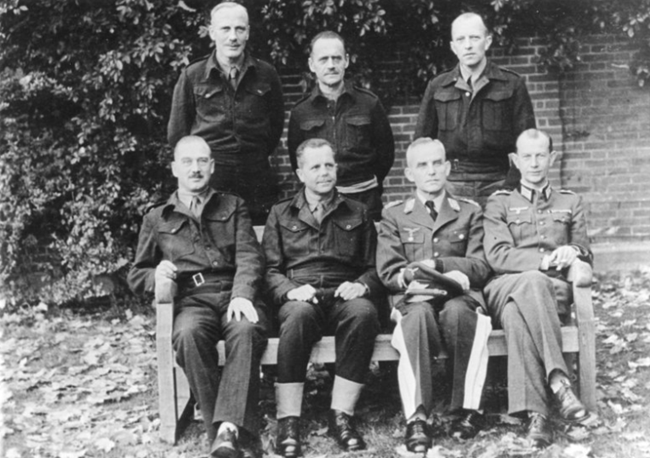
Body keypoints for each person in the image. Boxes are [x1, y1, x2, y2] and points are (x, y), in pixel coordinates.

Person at [128, 135, 268, 458]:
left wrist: (242, 294)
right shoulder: (157, 218)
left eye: (202, 161)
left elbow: (250, 255)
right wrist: (156, 276)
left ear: (212, 166)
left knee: (246, 329)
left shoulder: (233, 206)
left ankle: (225, 432)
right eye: (187, 162)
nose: (195, 168)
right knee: (187, 334)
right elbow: (137, 274)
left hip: (234, 292)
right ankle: (224, 430)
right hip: (192, 298)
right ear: (174, 168)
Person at [262, 138, 382, 457]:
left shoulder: (357, 211)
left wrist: (362, 285)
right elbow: (269, 270)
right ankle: (289, 421)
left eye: (329, 165)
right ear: (300, 173)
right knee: (297, 316)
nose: (324, 172)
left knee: (363, 313)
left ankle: (342, 415)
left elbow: (375, 267)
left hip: (343, 294)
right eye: (315, 167)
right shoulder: (281, 213)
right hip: (301, 295)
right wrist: (290, 289)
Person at [376, 137, 493, 453]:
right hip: (415, 297)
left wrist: (441, 266)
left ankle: (467, 408)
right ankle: (417, 416)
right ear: (409, 173)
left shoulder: (469, 211)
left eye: (437, 163)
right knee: (416, 318)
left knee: (461, 314)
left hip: (459, 295)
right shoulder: (395, 215)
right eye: (422, 165)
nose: (431, 171)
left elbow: (480, 266)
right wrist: (413, 275)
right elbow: (389, 272)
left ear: (448, 167)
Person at [483, 128, 593, 447]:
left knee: (517, 315)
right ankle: (559, 382)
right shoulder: (500, 203)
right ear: (515, 160)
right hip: (504, 286)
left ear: (552, 158)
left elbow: (586, 251)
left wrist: (572, 251)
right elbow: (497, 255)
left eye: (541, 155)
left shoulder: (570, 201)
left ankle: (537, 417)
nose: (534, 163)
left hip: (544, 297)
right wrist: (543, 262)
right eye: (527, 156)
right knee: (532, 280)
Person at [167, 2, 284, 224]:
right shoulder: (193, 75)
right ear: (212, 32)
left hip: (255, 176)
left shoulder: (266, 74)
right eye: (225, 29)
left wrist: (252, 153)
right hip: (211, 177)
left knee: (258, 235)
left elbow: (275, 126)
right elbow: (177, 134)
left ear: (247, 32)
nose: (233, 37)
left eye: (239, 29)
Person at [415, 12, 536, 207]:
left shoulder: (511, 84)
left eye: (474, 38)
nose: (468, 45)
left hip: (498, 181)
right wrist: (434, 188)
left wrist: (510, 187)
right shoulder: (438, 86)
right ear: (453, 47)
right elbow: (421, 143)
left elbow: (528, 143)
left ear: (487, 42)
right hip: (451, 184)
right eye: (461, 39)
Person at [287, 31, 395, 221]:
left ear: (346, 61)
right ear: (312, 64)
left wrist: (364, 183)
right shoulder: (301, 111)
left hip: (365, 199)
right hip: (321, 202)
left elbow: (386, 154)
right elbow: (296, 158)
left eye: (336, 58)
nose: (331, 65)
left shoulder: (369, 103)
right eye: (323, 59)